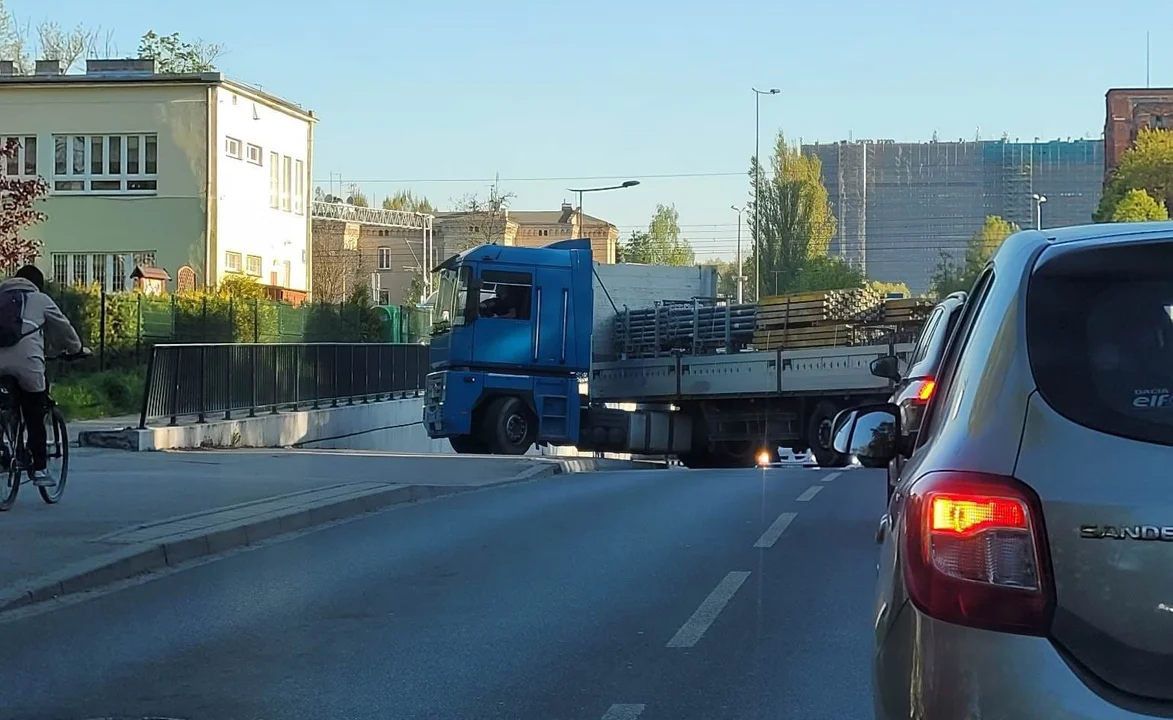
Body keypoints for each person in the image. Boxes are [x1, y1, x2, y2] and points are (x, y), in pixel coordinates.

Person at [0, 265, 88, 486]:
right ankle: (39, 469)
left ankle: (4, 451)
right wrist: (76, 349)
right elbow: (64, 328)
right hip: (28, 365)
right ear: (37, 284)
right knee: (34, 411)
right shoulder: (40, 299)